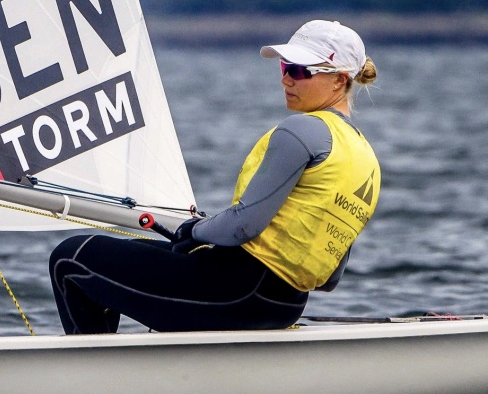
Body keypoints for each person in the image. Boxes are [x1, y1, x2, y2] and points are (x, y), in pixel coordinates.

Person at [49, 20, 380, 333]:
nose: (285, 79)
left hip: (235, 293)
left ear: (339, 80)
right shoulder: (366, 158)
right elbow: (330, 278)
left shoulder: (303, 130)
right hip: (285, 305)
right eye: (283, 67)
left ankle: (97, 380)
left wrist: (194, 230)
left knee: (71, 257)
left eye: (298, 70)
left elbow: (242, 225)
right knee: (133, 251)